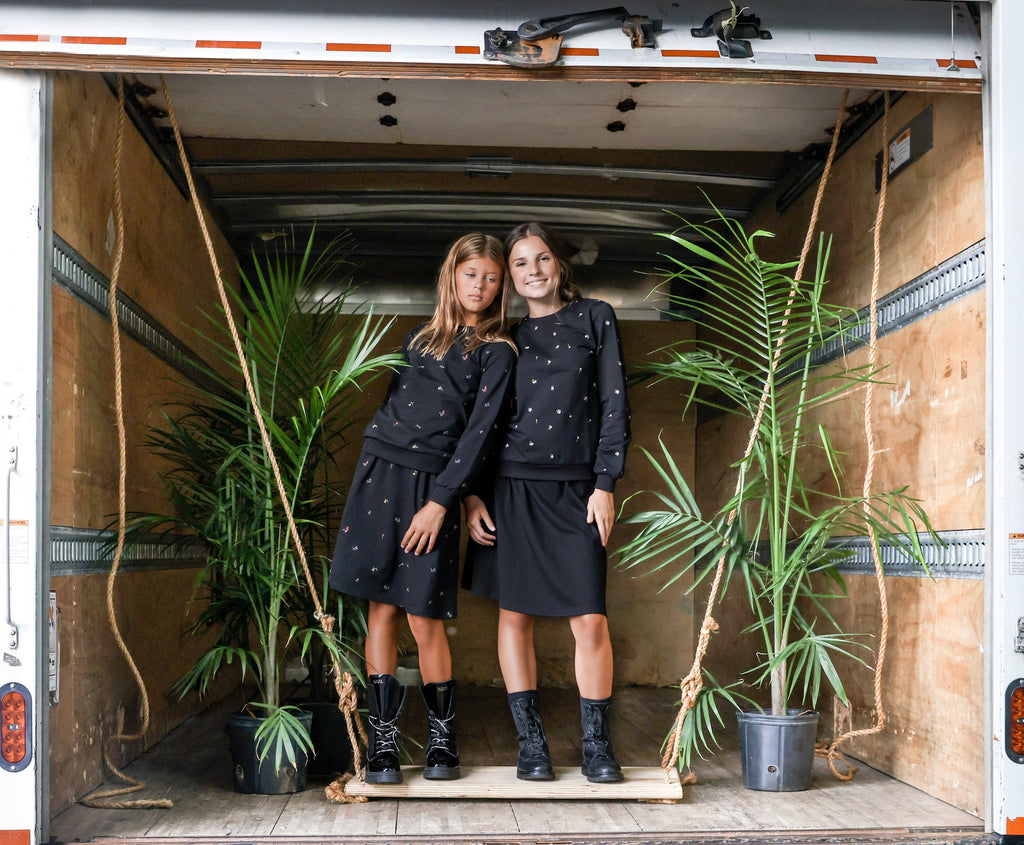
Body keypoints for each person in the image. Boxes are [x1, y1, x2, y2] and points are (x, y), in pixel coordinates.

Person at [329, 233, 516, 784]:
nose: (479, 286)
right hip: (378, 470)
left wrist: (443, 502)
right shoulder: (419, 338)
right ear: (451, 276)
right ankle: (384, 747)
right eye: (470, 274)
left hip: (433, 486)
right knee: (380, 612)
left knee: (423, 617)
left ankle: (441, 744)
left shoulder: (498, 351)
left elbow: (480, 436)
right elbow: (392, 402)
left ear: (501, 286)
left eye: (491, 277)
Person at [463, 222, 631, 783]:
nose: (531, 270)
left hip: (576, 491)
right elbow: (481, 425)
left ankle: (597, 748)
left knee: (590, 621)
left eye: (541, 259)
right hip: (509, 490)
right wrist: (471, 498)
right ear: (510, 277)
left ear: (559, 264)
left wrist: (605, 484)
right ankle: (531, 746)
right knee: (515, 617)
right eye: (519, 264)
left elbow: (614, 406)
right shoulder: (501, 336)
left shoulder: (596, 318)